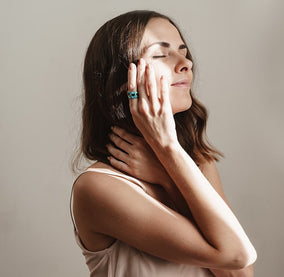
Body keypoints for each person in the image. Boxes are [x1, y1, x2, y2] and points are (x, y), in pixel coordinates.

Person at [71, 10, 257, 277]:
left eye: (183, 51)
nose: (186, 63)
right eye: (161, 54)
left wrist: (167, 176)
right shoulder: (98, 187)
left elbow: (241, 272)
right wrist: (167, 148)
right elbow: (235, 255)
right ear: (123, 82)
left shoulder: (197, 163)